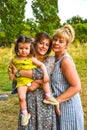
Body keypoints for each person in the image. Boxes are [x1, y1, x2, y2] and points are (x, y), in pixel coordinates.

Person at [9, 32, 57, 130]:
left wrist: (18, 72)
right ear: (34, 44)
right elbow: (15, 81)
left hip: (44, 104)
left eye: (47, 45)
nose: (44, 47)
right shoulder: (23, 59)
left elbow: (40, 74)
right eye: (41, 43)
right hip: (28, 103)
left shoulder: (50, 60)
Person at [51, 24, 84, 130]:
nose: (56, 43)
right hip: (58, 106)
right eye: (55, 40)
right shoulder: (52, 59)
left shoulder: (65, 61)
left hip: (69, 107)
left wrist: (57, 100)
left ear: (67, 45)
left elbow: (76, 86)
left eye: (61, 41)